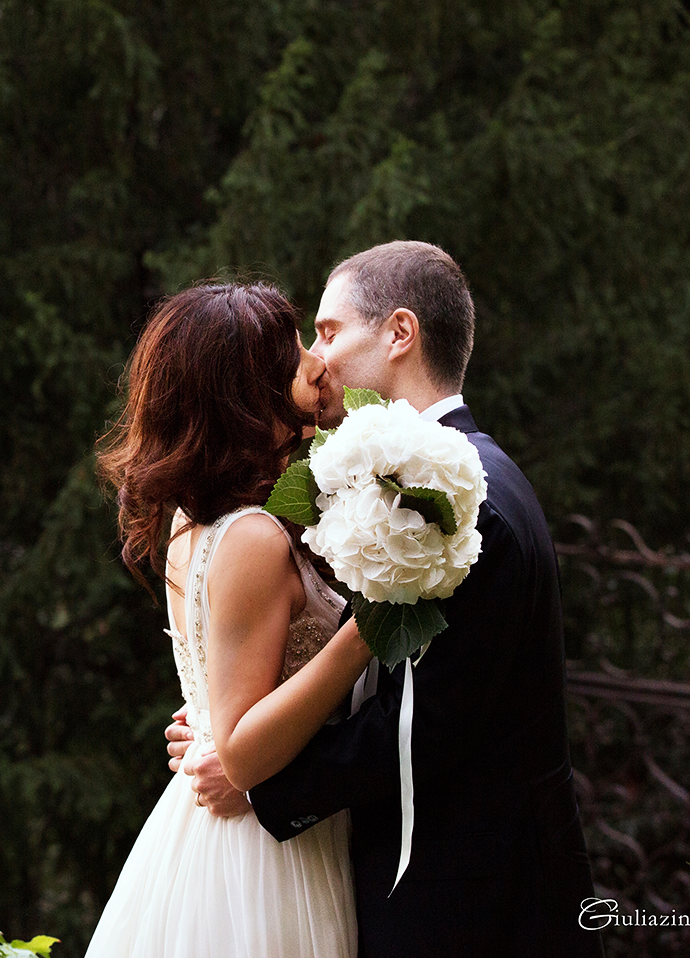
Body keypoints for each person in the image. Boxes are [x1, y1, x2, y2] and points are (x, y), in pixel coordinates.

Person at [169, 242, 602, 957]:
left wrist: (257, 780)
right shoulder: (409, 488)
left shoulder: (461, 505)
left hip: (474, 903)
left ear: (400, 333)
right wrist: (230, 721)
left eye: (328, 331)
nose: (315, 360)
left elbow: (420, 728)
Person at [87, 282, 373, 958]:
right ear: (246, 394)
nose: (317, 365)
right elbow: (241, 750)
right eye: (293, 353)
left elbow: (227, 703)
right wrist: (370, 627)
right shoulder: (250, 537)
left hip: (227, 828)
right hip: (265, 856)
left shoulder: (196, 520)